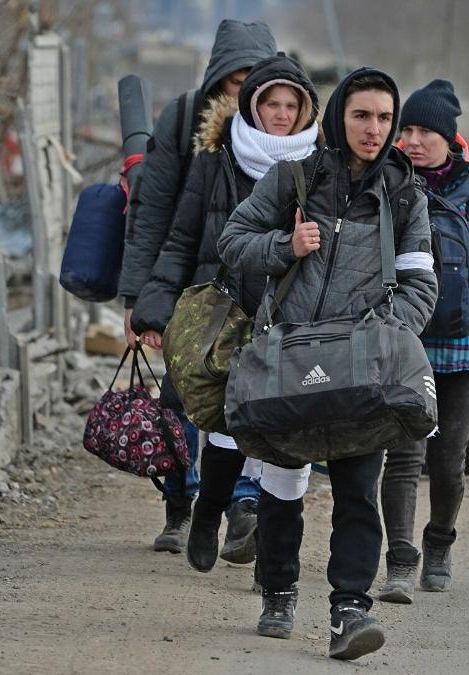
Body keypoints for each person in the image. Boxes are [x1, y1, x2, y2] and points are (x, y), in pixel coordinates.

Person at [218, 66, 436, 660]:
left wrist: (384, 343)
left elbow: (421, 286)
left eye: (385, 118)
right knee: (283, 487)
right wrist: (284, 247)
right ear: (339, 115)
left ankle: (349, 611)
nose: (374, 129)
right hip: (288, 359)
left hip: (363, 371)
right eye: (361, 115)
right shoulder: (293, 177)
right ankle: (279, 591)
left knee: (358, 491)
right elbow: (233, 241)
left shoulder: (405, 194)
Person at [131, 54, 319, 575]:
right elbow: (182, 238)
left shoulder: (319, 164)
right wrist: (153, 309)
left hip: (290, 317)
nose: (281, 115)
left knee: (279, 427)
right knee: (223, 421)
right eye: (271, 104)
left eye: (291, 106)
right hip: (224, 313)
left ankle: (261, 537)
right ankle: (209, 509)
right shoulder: (216, 159)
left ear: (306, 111)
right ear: (252, 106)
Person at [118, 19, 276, 555]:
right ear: (216, 81)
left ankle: (243, 506)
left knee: (252, 398)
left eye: (256, 78)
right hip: (194, 289)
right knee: (184, 397)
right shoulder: (189, 121)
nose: (246, 90)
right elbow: (155, 212)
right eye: (235, 80)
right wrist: (141, 301)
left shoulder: (292, 130)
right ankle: (180, 503)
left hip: (264, 292)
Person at [378, 79, 469, 604]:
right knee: (402, 457)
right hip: (403, 341)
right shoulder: (385, 183)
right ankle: (399, 562)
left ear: (449, 137)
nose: (414, 140)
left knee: (447, 461)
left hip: (467, 346)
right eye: (408, 129)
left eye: (426, 132)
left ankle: (438, 544)